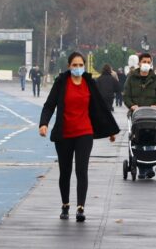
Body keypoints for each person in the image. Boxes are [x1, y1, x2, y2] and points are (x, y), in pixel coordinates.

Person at [39, 52, 120, 221]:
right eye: (74, 65)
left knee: (81, 170)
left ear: (84, 66)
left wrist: (110, 130)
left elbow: (100, 108)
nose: (77, 68)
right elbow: (49, 105)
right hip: (65, 134)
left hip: (84, 133)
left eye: (80, 65)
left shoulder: (89, 83)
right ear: (69, 66)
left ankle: (81, 208)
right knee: (65, 171)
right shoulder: (62, 83)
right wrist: (43, 124)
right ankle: (65, 205)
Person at [123, 53, 156, 179]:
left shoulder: (155, 79)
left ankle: (148, 166)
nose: (146, 64)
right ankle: (143, 168)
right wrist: (132, 106)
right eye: (144, 61)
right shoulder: (131, 78)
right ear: (139, 63)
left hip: (151, 116)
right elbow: (126, 95)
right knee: (138, 139)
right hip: (136, 115)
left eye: (148, 62)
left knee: (152, 139)